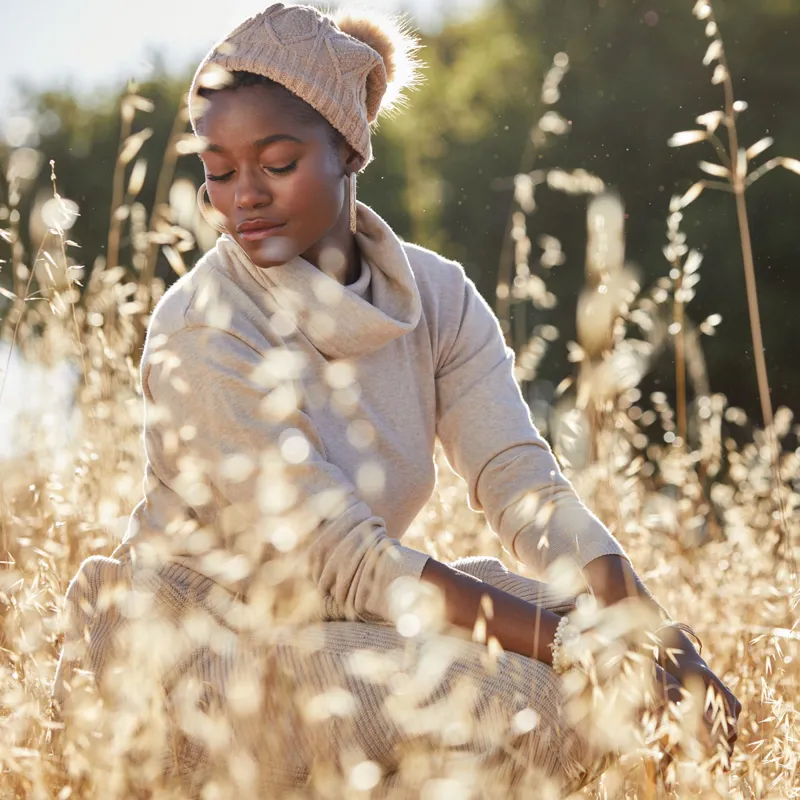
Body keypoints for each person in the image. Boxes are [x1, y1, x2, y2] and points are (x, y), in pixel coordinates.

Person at [53, 3, 740, 795]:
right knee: (542, 703)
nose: (241, 197)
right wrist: (582, 648)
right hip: (200, 652)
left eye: (275, 165)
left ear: (349, 149)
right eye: (217, 169)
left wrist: (654, 640)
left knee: (598, 650)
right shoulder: (204, 326)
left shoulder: (439, 297)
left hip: (344, 626)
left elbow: (523, 483)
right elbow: (346, 560)